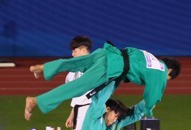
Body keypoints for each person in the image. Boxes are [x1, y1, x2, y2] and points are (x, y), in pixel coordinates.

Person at [24, 41, 181, 121]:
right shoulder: (161, 71)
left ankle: (43, 68)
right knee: (78, 87)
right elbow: (152, 96)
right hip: (113, 66)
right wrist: (148, 112)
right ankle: (36, 101)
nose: (165, 81)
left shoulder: (150, 57)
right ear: (170, 71)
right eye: (168, 79)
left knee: (76, 63)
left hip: (108, 53)